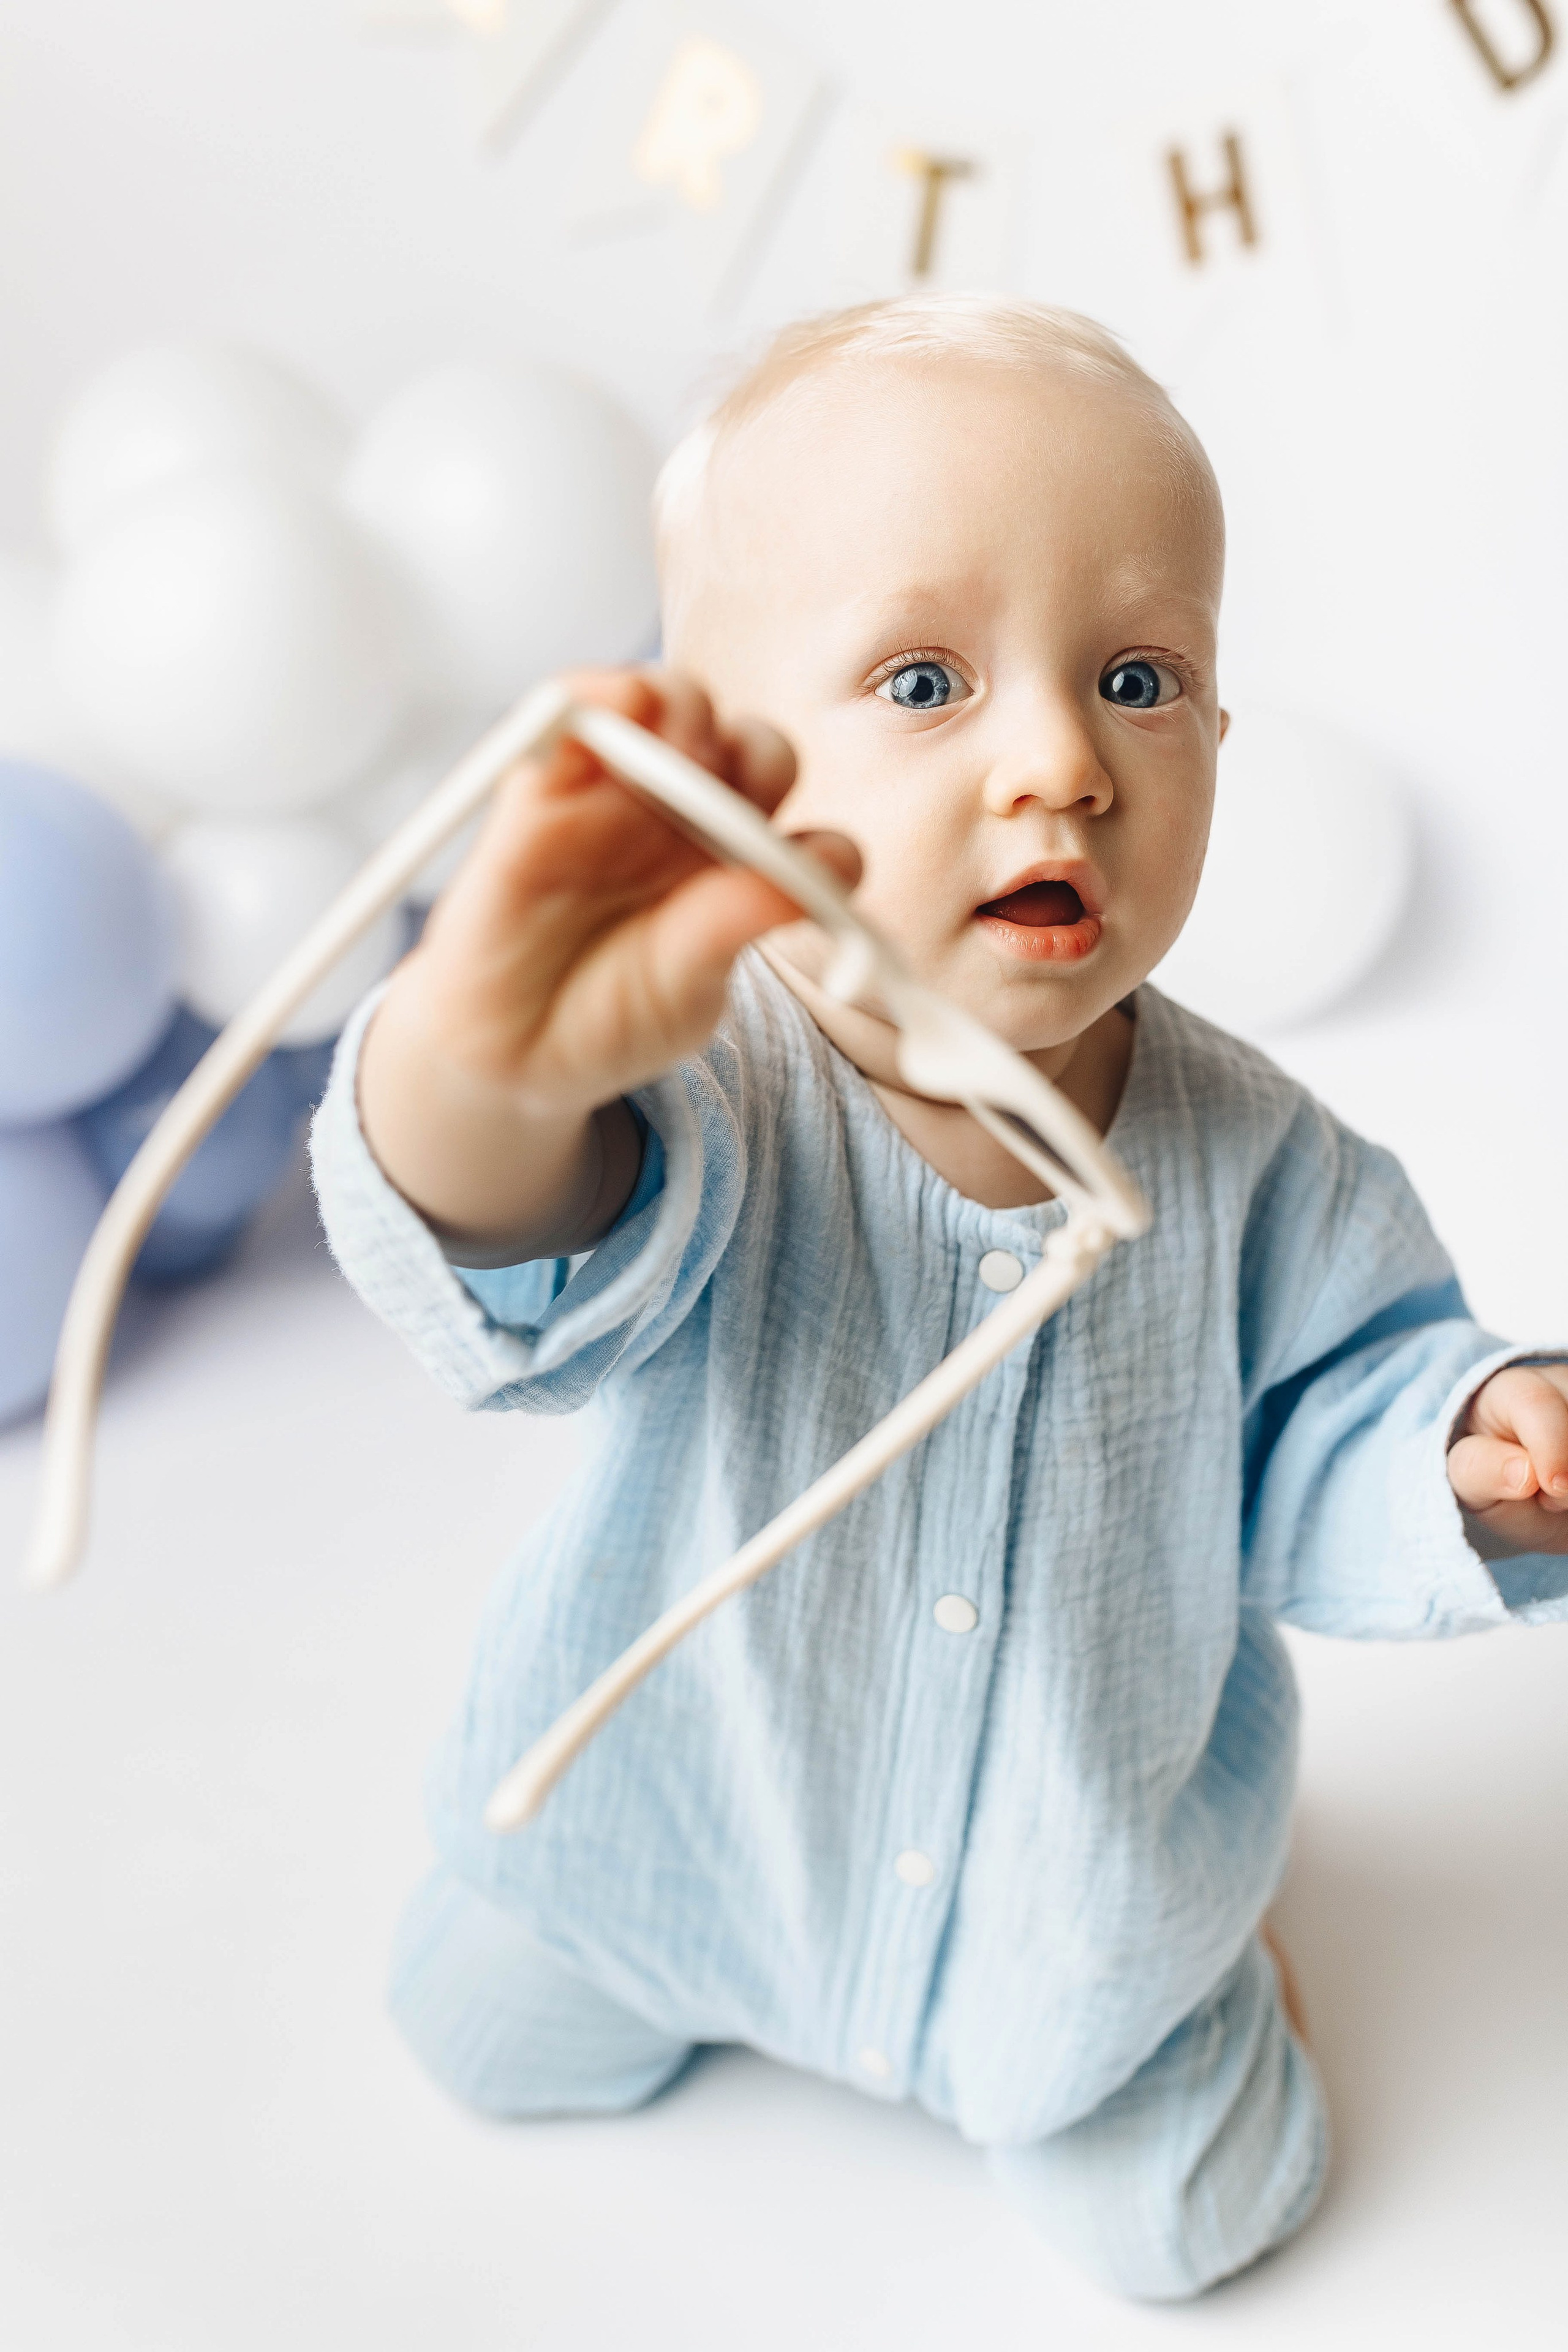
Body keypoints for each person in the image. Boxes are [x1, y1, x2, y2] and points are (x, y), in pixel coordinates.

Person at [310, 295, 1568, 2301]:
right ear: (721, 756)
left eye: (1140, 677)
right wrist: (487, 1066)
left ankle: (1192, 1980)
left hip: (1073, 1922)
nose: (1062, 760)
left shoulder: (1263, 1159)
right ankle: (627, 1942)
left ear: (1222, 737)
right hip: (676, 1832)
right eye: (924, 678)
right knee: (471, 2029)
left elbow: (1344, 1415)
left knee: (1203, 2223)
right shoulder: (700, 1072)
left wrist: (1471, 1450)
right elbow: (536, 1234)